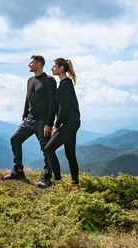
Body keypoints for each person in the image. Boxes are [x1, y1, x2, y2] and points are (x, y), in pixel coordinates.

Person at [2, 55, 58, 188]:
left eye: (31, 62)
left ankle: (46, 178)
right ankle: (18, 170)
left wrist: (49, 123)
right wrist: (24, 116)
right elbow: (27, 98)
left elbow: (53, 104)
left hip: (43, 121)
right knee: (15, 139)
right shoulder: (30, 80)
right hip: (29, 120)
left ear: (39, 64)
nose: (28, 65)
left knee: (46, 149)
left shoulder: (49, 80)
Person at [44, 57, 81, 187]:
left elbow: (63, 107)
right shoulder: (63, 84)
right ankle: (75, 184)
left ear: (61, 68)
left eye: (54, 66)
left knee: (49, 149)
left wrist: (56, 125)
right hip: (71, 122)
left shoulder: (66, 84)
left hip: (70, 123)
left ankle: (58, 181)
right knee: (70, 154)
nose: (51, 68)